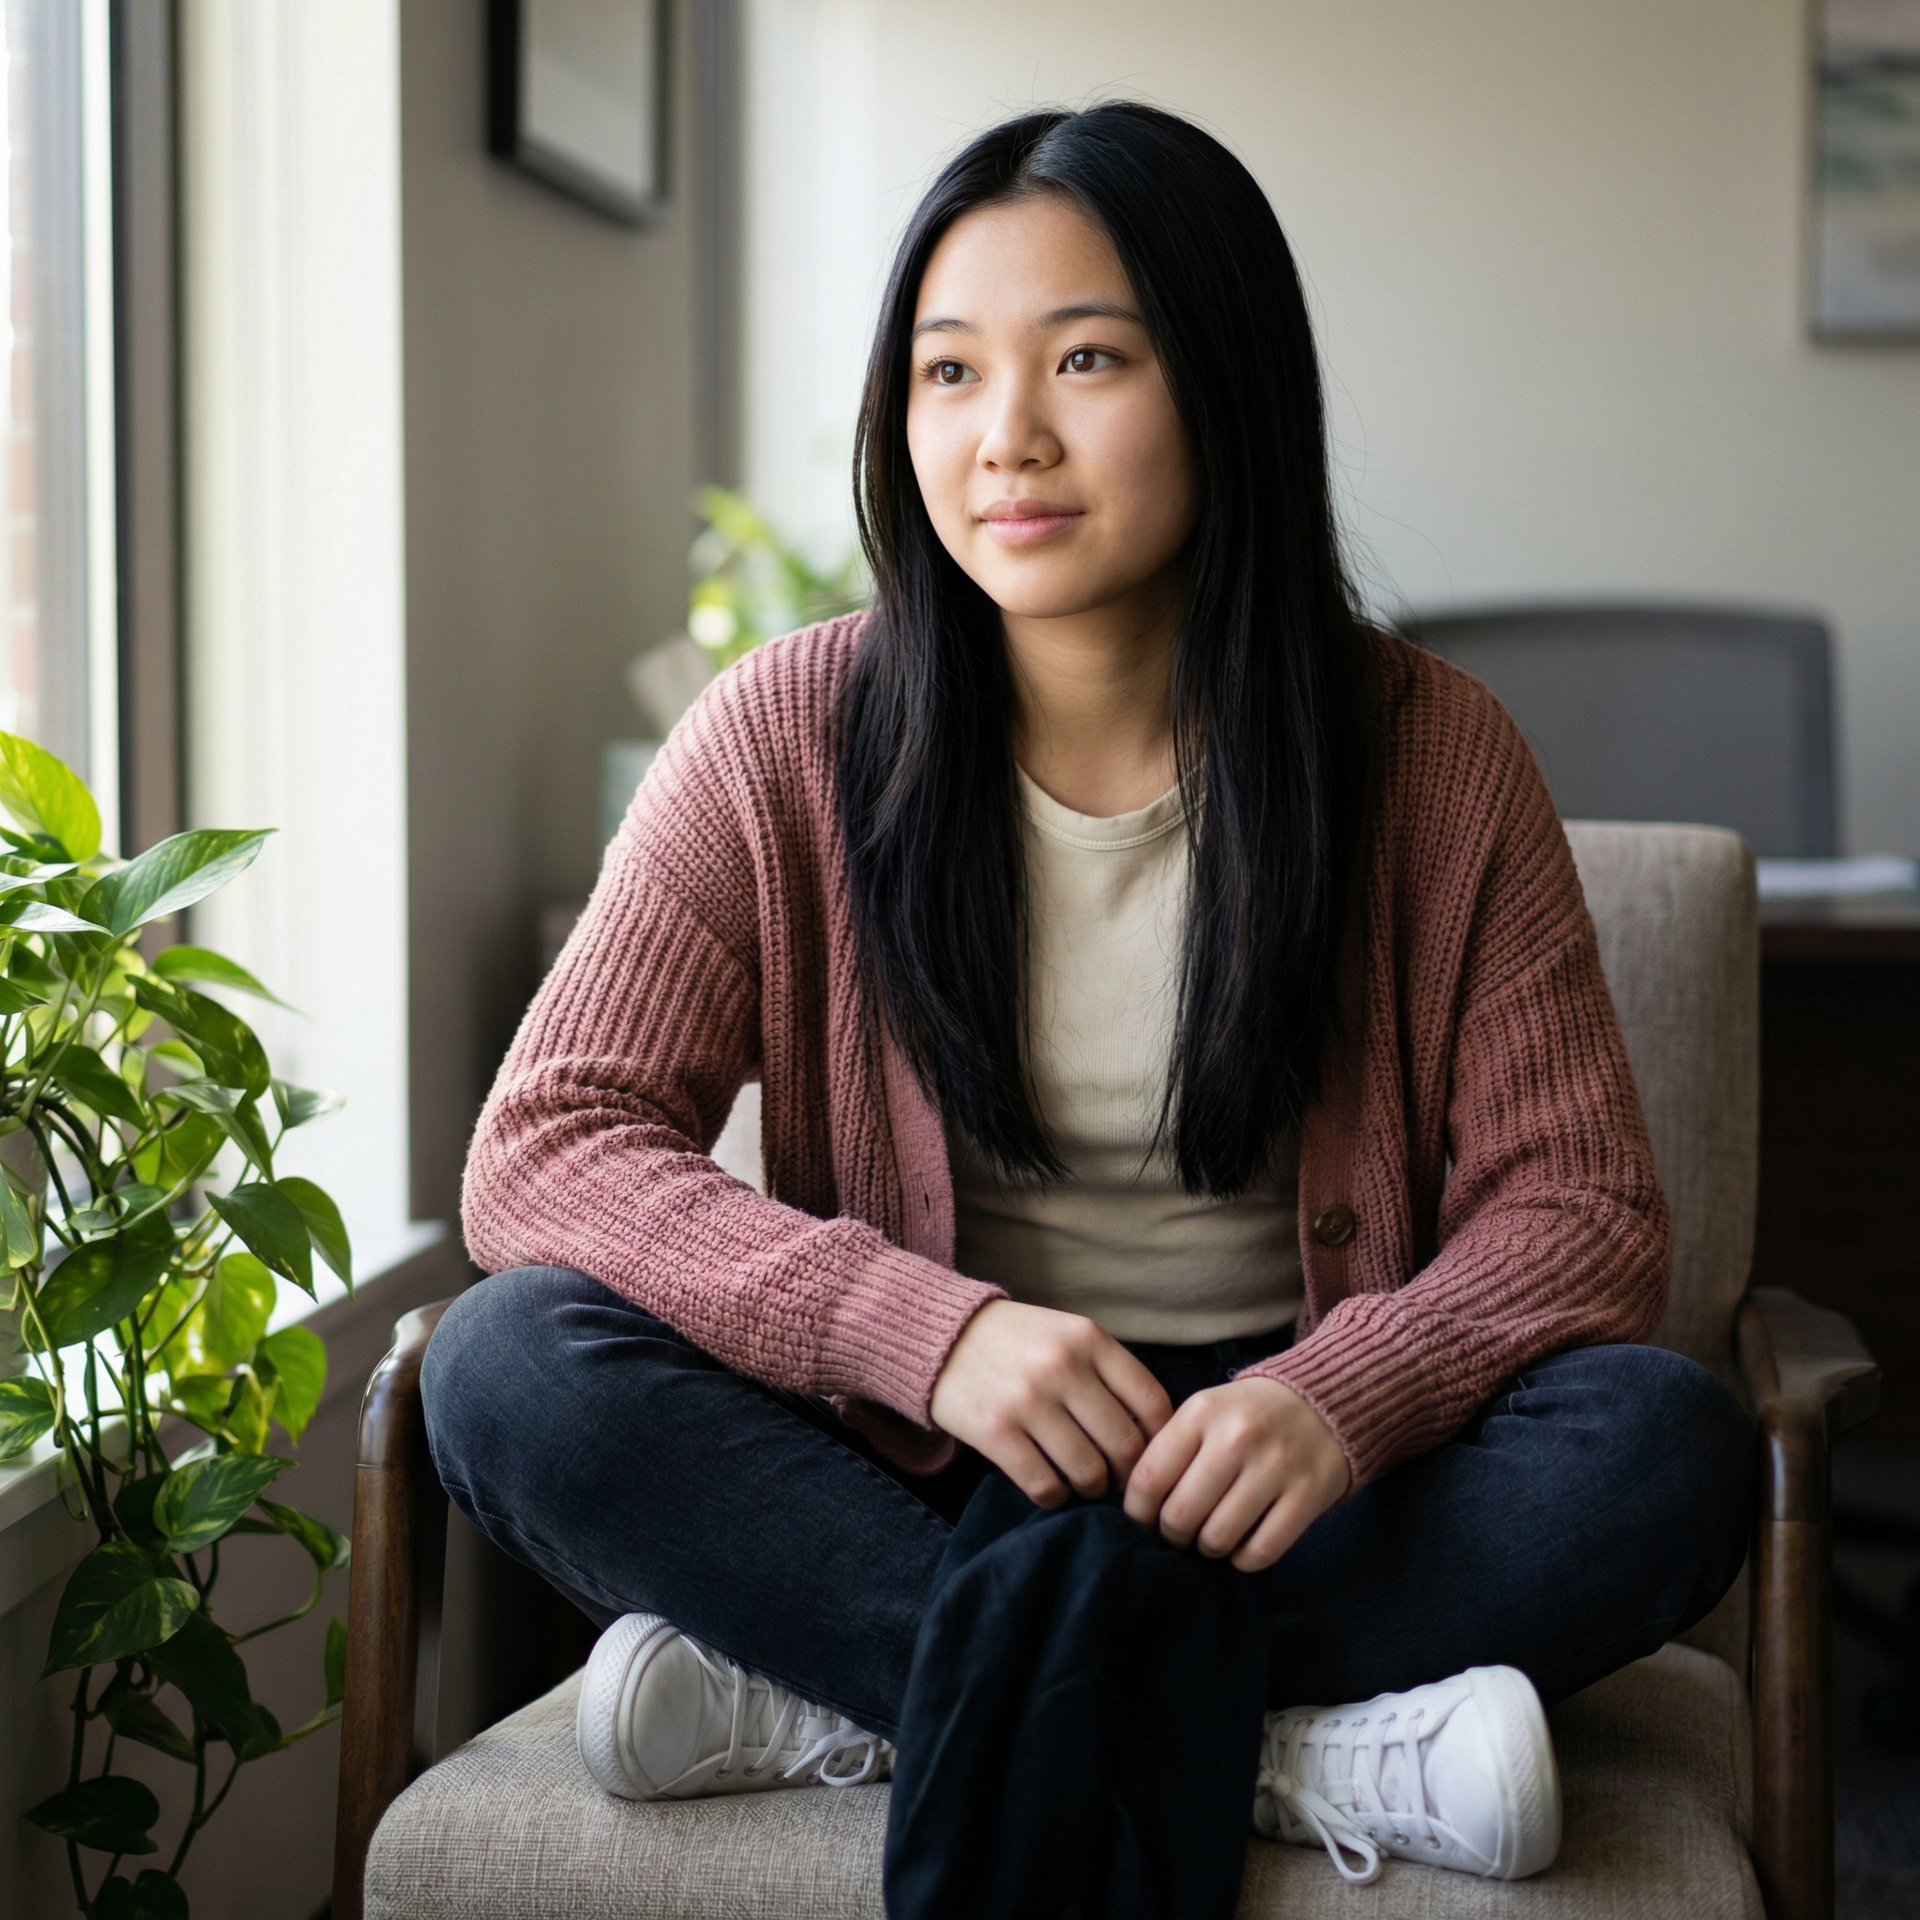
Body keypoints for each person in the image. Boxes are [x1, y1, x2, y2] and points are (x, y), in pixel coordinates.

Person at [423, 103, 1750, 1916]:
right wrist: (924, 1332)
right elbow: (546, 1150)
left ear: (1226, 381)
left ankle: (862, 1696)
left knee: (1658, 1451)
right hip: (919, 1448)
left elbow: (1583, 1216)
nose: (1007, 439)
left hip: (1281, 1474)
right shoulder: (783, 736)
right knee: (510, 1373)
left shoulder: (1431, 758)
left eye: (1090, 360)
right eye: (949, 373)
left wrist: (1341, 1398)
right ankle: (1311, 1753)